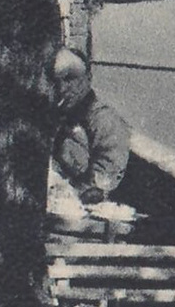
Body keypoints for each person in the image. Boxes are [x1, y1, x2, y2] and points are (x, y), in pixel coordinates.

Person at [49, 48, 130, 212]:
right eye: (57, 81)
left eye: (70, 79)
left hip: (84, 208)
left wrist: (72, 194)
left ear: (88, 78)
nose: (62, 88)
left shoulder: (104, 120)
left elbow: (105, 175)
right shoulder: (54, 114)